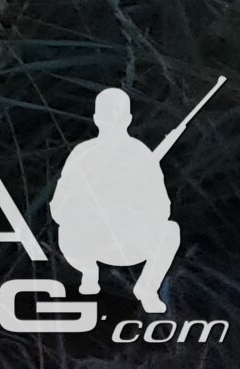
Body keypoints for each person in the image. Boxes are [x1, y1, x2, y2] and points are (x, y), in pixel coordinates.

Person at [53, 89, 184, 313]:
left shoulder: (138, 155)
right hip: (88, 242)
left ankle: (146, 289)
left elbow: (162, 208)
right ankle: (88, 272)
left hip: (123, 241)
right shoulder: (84, 153)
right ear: (128, 120)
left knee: (170, 231)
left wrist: (130, 209)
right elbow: (59, 208)